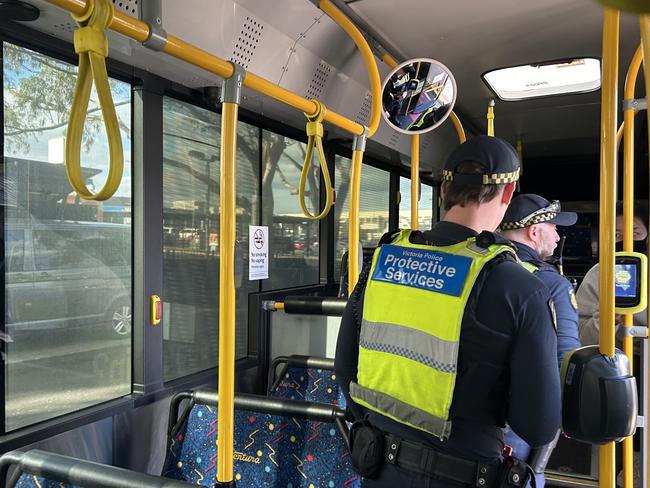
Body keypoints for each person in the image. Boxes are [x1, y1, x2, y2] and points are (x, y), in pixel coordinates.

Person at [335, 136, 561, 487]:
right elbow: (538, 424)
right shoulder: (523, 289)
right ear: (508, 193)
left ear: (443, 189)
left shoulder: (384, 260)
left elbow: (346, 368)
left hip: (379, 468)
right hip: (467, 474)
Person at [499, 194, 582, 487]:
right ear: (534, 232)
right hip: (518, 427)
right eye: (553, 227)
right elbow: (565, 363)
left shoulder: (474, 267)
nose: (558, 236)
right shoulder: (551, 284)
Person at [577, 202, 648, 346]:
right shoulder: (599, 273)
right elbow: (581, 336)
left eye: (635, 233)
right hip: (617, 360)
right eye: (617, 234)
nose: (626, 240)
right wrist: (608, 318)